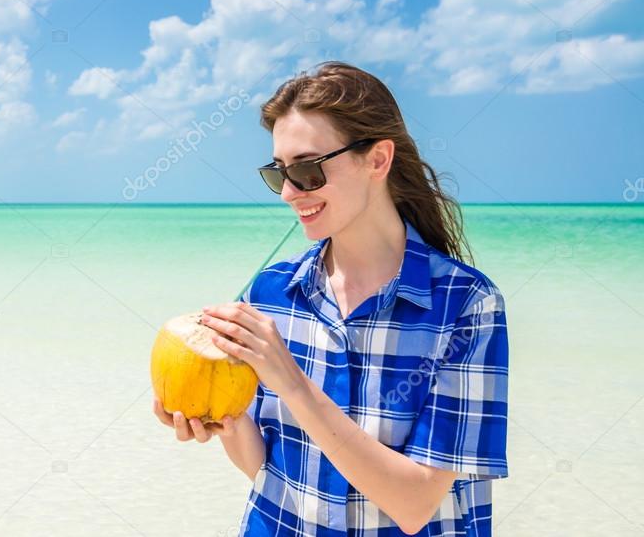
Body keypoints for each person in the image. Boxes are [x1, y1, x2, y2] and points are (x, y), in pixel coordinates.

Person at [152, 62, 509, 536]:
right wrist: (226, 420)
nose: (289, 193)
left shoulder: (466, 306)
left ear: (378, 160)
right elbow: (264, 467)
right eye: (278, 173)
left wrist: (293, 384)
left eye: (306, 169)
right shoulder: (271, 292)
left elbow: (415, 503)